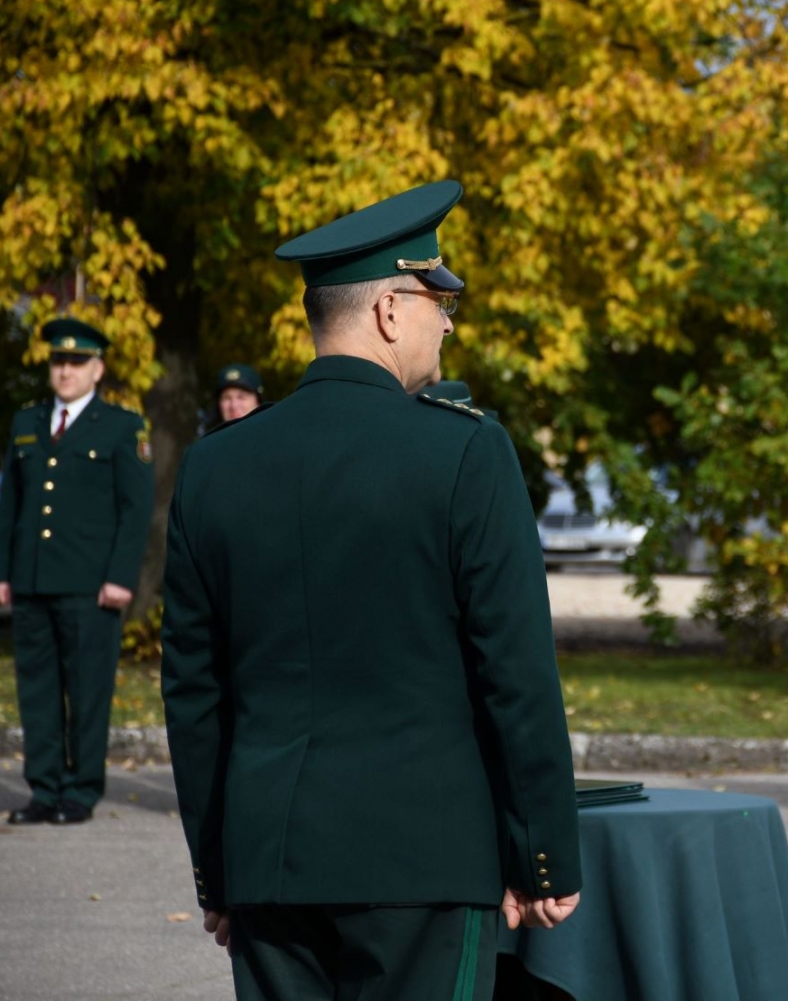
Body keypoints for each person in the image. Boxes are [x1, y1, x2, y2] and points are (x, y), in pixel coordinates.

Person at [161, 180, 581, 1000]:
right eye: (439, 301)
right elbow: (518, 674)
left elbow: (194, 692)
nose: (449, 322)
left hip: (269, 861)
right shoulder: (467, 452)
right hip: (424, 861)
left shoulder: (215, 465)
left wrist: (217, 870)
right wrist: (543, 856)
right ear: (391, 310)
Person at [0, 318, 154, 826]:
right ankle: (43, 789)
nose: (66, 371)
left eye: (77, 362)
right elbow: (10, 504)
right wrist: (2, 573)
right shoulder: (27, 423)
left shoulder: (123, 427)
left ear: (97, 369)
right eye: (59, 362)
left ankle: (80, 791)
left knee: (86, 691)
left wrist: (121, 577)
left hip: (90, 584)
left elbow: (135, 508)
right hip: (33, 580)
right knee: (36, 690)